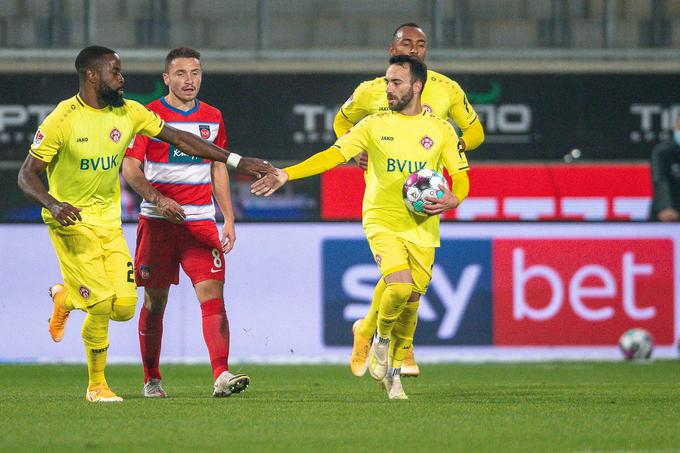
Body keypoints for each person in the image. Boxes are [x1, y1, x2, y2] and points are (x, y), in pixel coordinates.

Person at [17, 45, 272, 403]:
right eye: (115, 72)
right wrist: (53, 203)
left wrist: (235, 161)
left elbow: (183, 139)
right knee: (123, 302)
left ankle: (68, 297)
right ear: (92, 76)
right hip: (83, 221)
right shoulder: (63, 119)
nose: (122, 80)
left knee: (125, 305)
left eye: (195, 72)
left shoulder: (132, 113)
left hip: (125, 221)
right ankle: (107, 383)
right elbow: (28, 175)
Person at [252, 56, 470, 399]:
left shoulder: (441, 130)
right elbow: (332, 155)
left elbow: (461, 176)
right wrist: (286, 173)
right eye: (387, 81)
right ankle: (380, 341)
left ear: (416, 87)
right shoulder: (372, 124)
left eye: (396, 83)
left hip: (424, 224)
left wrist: (455, 199)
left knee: (412, 302)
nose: (389, 89)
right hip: (381, 218)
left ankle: (393, 375)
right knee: (398, 289)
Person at [333, 22, 484, 378]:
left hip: (423, 198)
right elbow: (341, 122)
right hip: (385, 193)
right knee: (399, 278)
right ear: (392, 48)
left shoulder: (447, 89)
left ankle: (366, 331)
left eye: (420, 44)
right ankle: (399, 348)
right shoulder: (375, 90)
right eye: (406, 43)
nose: (414, 49)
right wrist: (355, 154)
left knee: (406, 282)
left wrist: (450, 152)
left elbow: (475, 132)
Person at [122, 47, 247, 398]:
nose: (189, 80)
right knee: (154, 303)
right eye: (180, 73)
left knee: (213, 297)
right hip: (158, 222)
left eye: (195, 73)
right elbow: (131, 168)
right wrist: (159, 200)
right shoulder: (148, 116)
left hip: (200, 221)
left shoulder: (212, 117)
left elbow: (217, 166)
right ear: (166, 79)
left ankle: (221, 375)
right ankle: (152, 378)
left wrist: (229, 217)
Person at [650, 116, 680, 222]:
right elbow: (660, 180)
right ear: (676, 126)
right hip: (668, 214)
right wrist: (665, 206)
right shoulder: (663, 151)